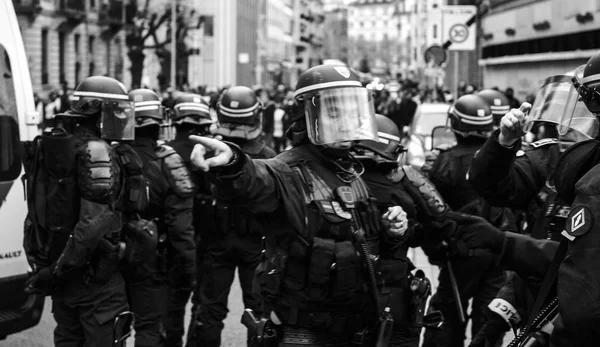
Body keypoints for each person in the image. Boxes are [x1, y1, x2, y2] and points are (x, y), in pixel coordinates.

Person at [188, 64, 410, 346]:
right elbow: (255, 178)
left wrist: (392, 229)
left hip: (354, 326)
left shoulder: (351, 171)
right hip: (304, 332)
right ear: (307, 115)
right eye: (334, 111)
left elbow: (365, 245)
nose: (346, 120)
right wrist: (232, 162)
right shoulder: (288, 170)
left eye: (352, 110)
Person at [452, 51, 600, 347]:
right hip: (537, 287)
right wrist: (504, 143)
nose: (566, 126)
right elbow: (492, 186)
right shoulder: (552, 156)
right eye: (566, 115)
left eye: (581, 114)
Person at [22, 76, 133, 347]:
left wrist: (52, 269)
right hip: (93, 280)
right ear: (99, 111)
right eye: (117, 111)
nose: (122, 119)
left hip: (61, 272)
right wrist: (61, 269)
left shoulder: (58, 145)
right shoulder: (97, 152)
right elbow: (92, 223)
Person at [422, 94, 517, 347]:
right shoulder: (503, 158)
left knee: (446, 316)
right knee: (489, 318)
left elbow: (432, 213)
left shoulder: (444, 162)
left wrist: (435, 250)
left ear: (455, 125)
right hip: (498, 251)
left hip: (461, 255)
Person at [354, 114, 455, 346]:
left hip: (341, 291)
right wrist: (412, 235)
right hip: (393, 290)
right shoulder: (407, 177)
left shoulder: (333, 176)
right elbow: (442, 221)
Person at [194, 86, 277, 346]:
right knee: (258, 312)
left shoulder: (206, 152)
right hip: (256, 243)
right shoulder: (268, 157)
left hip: (216, 240)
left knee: (210, 309)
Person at [126, 89, 196, 346]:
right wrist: (189, 269)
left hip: (111, 255)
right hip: (153, 259)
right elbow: (180, 226)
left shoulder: (110, 157)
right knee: (149, 325)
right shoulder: (168, 161)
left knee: (110, 324)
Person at [164, 93, 215, 347]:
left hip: (170, 239)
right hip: (205, 237)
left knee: (171, 306)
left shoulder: (164, 152)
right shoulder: (211, 154)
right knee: (202, 304)